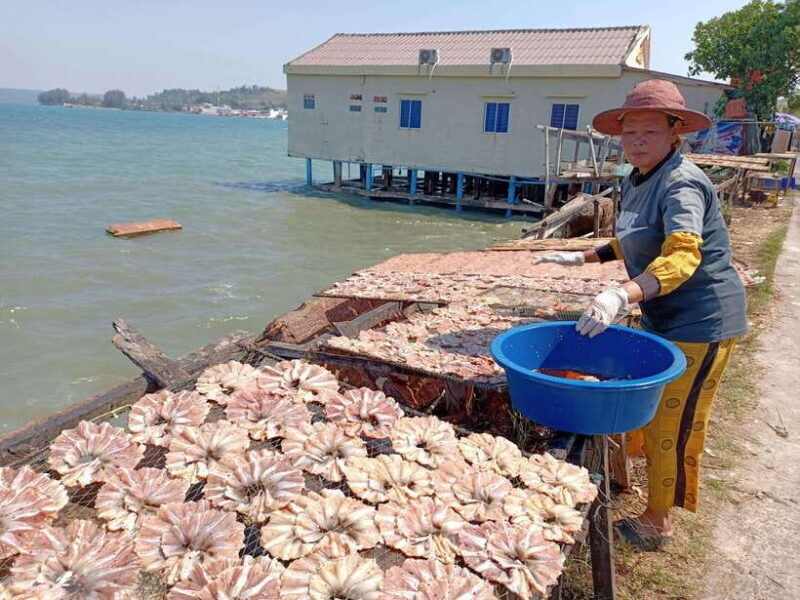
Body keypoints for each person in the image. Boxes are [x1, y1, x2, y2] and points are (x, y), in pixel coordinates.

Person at [534, 79, 747, 550]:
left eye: (650, 131)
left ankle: (657, 523)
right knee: (650, 417)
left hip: (702, 321)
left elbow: (682, 254)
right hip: (661, 316)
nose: (638, 141)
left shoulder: (683, 183)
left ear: (675, 132)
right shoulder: (635, 179)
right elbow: (633, 237)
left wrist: (621, 295)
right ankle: (636, 490)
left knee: (674, 422)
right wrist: (583, 258)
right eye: (630, 133)